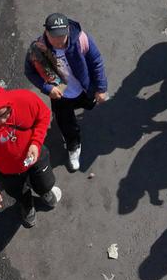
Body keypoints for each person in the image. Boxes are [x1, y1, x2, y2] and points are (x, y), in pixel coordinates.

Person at [0, 84, 61, 229]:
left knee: (45, 183)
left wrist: (36, 142)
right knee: (20, 193)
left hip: (35, 157)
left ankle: (44, 192)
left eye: (6, 114)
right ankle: (27, 206)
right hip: (8, 171)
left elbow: (44, 115)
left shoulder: (24, 98)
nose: (3, 120)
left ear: (9, 105)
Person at [24, 13, 108, 171]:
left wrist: (101, 88)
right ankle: (73, 146)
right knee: (66, 124)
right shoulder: (38, 49)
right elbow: (29, 72)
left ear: (68, 30)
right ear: (46, 32)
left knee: (90, 105)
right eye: (54, 36)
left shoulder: (81, 39)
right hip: (60, 94)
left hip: (84, 89)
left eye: (62, 36)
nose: (59, 41)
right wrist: (47, 88)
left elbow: (96, 62)